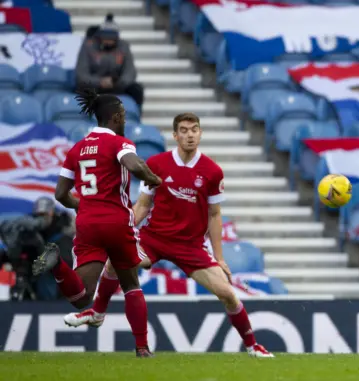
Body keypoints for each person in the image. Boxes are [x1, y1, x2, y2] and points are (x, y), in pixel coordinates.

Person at [63, 113, 274, 358]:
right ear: (175, 136)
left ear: (200, 133)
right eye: (183, 130)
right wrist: (123, 230)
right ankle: (97, 313)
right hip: (154, 238)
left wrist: (219, 257)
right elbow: (142, 206)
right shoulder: (157, 163)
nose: (190, 135)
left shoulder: (212, 171)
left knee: (228, 294)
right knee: (114, 263)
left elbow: (215, 215)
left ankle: (252, 346)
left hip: (190, 246)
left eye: (194, 129)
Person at [31, 89, 162, 357]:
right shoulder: (120, 143)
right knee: (131, 285)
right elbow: (134, 166)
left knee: (81, 298)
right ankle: (142, 348)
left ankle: (57, 267)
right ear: (114, 117)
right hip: (116, 222)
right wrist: (153, 178)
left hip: (88, 223)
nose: (124, 120)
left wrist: (85, 205)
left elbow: (59, 194)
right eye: (123, 115)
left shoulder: (77, 149)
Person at [75, 14, 144, 107]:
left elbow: (130, 71)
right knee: (82, 89)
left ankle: (134, 116)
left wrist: (118, 83)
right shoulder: (88, 46)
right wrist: (99, 82)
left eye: (111, 39)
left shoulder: (124, 46)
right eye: (106, 38)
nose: (108, 41)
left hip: (116, 85)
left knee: (136, 89)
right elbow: (81, 74)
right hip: (95, 85)